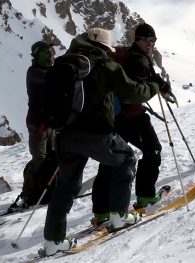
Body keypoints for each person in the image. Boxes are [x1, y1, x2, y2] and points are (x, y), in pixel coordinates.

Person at [41, 27, 169, 257]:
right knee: (125, 159)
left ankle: (53, 240)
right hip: (96, 134)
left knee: (66, 185)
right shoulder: (104, 65)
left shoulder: (64, 63)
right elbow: (132, 93)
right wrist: (154, 86)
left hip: (65, 135)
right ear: (104, 47)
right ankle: (119, 216)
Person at [91, 23, 171, 222]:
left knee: (111, 160)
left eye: (153, 41)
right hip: (131, 115)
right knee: (152, 150)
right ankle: (145, 196)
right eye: (147, 40)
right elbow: (135, 87)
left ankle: (101, 211)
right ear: (137, 39)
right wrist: (158, 84)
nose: (151, 44)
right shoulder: (138, 60)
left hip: (113, 115)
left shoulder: (127, 55)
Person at [27, 41, 56, 170]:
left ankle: (48, 187)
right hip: (37, 123)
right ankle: (32, 189)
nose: (51, 54)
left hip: (49, 122)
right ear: (39, 55)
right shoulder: (34, 72)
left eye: (51, 51)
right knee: (39, 161)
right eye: (47, 52)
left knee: (52, 157)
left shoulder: (49, 70)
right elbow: (50, 78)